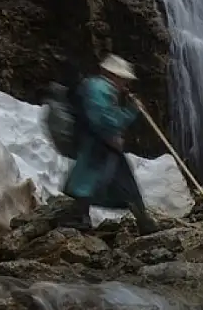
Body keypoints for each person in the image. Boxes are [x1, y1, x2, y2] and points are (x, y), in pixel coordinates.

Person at [59, 54, 162, 235]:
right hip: (98, 146)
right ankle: (144, 223)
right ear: (113, 75)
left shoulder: (99, 88)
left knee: (98, 182)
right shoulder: (99, 88)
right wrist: (131, 111)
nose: (125, 84)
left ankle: (81, 217)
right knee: (106, 182)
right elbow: (107, 121)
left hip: (100, 146)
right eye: (123, 79)